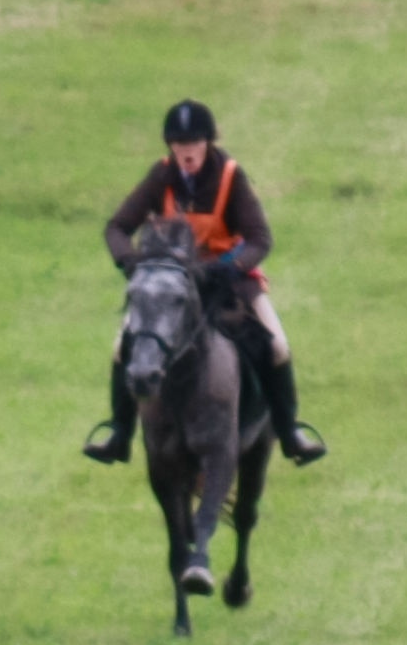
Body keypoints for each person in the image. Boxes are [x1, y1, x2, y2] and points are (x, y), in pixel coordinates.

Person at [84, 100, 328, 469]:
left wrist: (230, 266)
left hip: (228, 283)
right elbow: (117, 227)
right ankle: (119, 432)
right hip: (168, 290)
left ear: (208, 143)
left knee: (277, 345)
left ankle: (289, 431)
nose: (186, 152)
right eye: (179, 145)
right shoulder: (160, 176)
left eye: (194, 143)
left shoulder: (231, 177)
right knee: (123, 346)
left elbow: (260, 238)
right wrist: (133, 264)